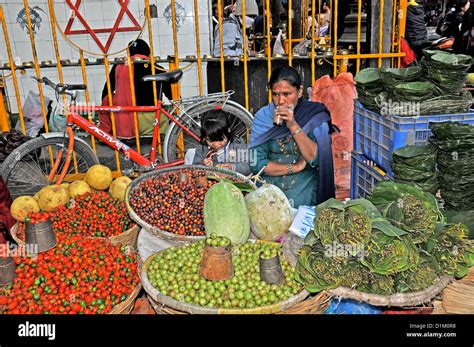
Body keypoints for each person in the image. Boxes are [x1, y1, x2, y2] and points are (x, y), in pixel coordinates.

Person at [249, 66, 335, 208]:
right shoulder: (263, 117)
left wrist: (293, 125)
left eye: (287, 94)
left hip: (304, 184)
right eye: (275, 94)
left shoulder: (313, 115)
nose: (280, 101)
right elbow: (256, 164)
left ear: (300, 91)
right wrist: (295, 167)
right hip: (271, 181)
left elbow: (316, 158)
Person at [100, 39, 172, 139]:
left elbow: (105, 94)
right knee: (166, 121)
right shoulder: (156, 68)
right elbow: (172, 96)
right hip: (151, 121)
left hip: (122, 122)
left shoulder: (118, 67)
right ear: (148, 54)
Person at [192, 110, 251, 176]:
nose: (216, 145)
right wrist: (205, 167)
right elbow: (194, 169)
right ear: (204, 137)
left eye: (220, 140)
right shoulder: (203, 148)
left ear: (228, 130)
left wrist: (232, 167)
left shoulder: (237, 144)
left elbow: (247, 168)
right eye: (211, 141)